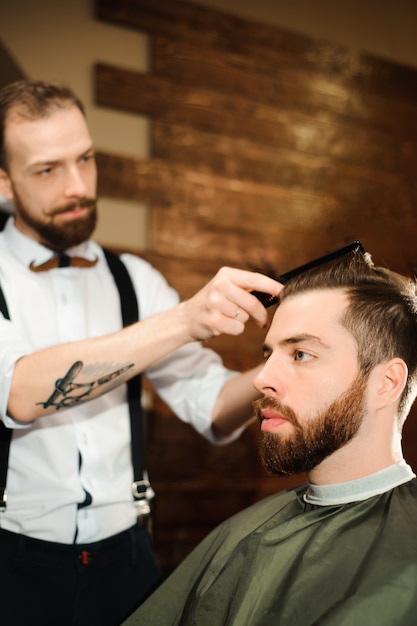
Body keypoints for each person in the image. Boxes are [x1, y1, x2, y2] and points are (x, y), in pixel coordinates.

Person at [0, 79, 282, 626]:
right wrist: (181, 321)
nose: (78, 185)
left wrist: (292, 361)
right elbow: (18, 391)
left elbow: (214, 406)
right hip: (14, 560)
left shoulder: (136, 281)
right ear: (4, 182)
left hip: (126, 558)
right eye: (48, 170)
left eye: (86, 158)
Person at [124, 246, 417, 626]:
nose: (261, 380)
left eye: (300, 354)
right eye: (268, 355)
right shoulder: (241, 537)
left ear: (386, 383)